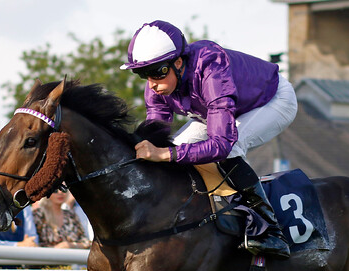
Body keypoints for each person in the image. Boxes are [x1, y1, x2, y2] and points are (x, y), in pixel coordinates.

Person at [123, 20, 297, 258]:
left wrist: (165, 154)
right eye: (143, 74)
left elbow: (221, 145)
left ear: (178, 62)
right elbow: (157, 134)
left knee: (231, 149)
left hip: (273, 100)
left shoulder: (210, 65)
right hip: (220, 112)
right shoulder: (157, 86)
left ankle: (271, 231)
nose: (152, 83)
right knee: (174, 148)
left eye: (157, 72)